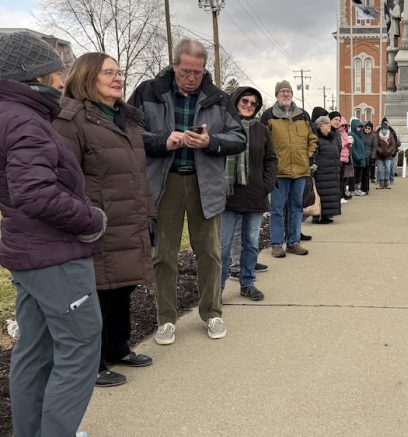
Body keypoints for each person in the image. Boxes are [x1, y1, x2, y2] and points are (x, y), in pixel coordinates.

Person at [0, 31, 106, 436]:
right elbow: (34, 193)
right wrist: (90, 220)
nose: (62, 79)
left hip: (28, 254)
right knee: (80, 349)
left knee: (35, 351)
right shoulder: (25, 120)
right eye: (56, 70)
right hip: (55, 256)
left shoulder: (11, 114)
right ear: (35, 74)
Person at [129, 38, 246, 344]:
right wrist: (162, 142)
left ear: (204, 69)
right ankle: (166, 318)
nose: (191, 77)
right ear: (174, 64)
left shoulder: (218, 98)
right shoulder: (147, 92)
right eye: (185, 71)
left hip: (203, 182)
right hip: (163, 182)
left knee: (209, 251)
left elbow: (239, 137)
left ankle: (212, 312)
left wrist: (212, 142)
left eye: (197, 71)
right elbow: (128, 131)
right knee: (163, 254)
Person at [54, 52, 155, 387]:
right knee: (97, 292)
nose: (117, 77)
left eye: (118, 71)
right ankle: (93, 363)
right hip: (96, 223)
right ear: (86, 77)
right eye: (108, 72)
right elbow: (63, 176)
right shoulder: (72, 120)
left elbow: (136, 172)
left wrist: (148, 211)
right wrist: (83, 217)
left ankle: (117, 348)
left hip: (129, 217)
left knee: (123, 287)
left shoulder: (126, 118)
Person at [219, 87, 277, 301]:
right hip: (228, 195)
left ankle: (247, 283)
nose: (249, 105)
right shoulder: (224, 126)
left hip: (255, 194)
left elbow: (271, 159)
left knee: (251, 243)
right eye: (245, 101)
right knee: (223, 247)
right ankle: (217, 290)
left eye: (254, 103)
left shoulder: (262, 130)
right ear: (235, 101)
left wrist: (267, 185)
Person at [260, 80, 317, 258]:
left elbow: (313, 140)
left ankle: (293, 242)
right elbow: (262, 142)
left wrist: (307, 157)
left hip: (300, 170)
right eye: (282, 91)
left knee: (296, 207)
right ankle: (277, 244)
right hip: (278, 171)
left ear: (292, 94)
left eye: (288, 91)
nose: (286, 94)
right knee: (277, 209)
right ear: (276, 95)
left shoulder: (303, 115)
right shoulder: (268, 116)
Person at [312, 116, 342, 223]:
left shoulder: (331, 138)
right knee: (322, 194)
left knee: (330, 194)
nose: (329, 125)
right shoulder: (316, 139)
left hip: (332, 171)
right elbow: (314, 155)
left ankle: (326, 215)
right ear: (320, 126)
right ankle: (318, 215)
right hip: (322, 172)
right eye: (326, 124)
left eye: (329, 123)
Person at [376, 122, 397, 189]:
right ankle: (381, 183)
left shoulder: (390, 135)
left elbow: (393, 145)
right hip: (380, 155)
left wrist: (389, 150)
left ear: (387, 129)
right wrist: (379, 150)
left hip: (388, 155)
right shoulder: (377, 135)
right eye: (382, 128)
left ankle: (386, 183)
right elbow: (375, 144)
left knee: (388, 169)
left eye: (385, 128)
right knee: (380, 170)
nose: (383, 130)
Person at [380, 117, 401, 184]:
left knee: (391, 167)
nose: (385, 124)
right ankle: (385, 180)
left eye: (386, 123)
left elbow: (395, 141)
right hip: (383, 152)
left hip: (392, 151)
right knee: (385, 167)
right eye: (384, 123)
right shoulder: (379, 130)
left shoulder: (392, 130)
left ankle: (391, 179)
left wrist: (394, 149)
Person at [350, 118, 368, 196]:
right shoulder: (351, 135)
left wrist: (364, 157)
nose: (359, 128)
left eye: (360, 127)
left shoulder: (359, 136)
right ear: (354, 126)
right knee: (355, 176)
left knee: (359, 176)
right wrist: (358, 157)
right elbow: (352, 149)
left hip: (361, 160)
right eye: (358, 127)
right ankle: (353, 190)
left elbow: (362, 148)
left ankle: (358, 189)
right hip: (356, 161)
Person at [361, 120, 379, 189]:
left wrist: (373, 157)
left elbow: (374, 147)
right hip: (362, 155)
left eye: (369, 128)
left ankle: (366, 188)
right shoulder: (361, 134)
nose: (367, 129)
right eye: (366, 128)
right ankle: (360, 187)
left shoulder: (374, 136)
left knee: (366, 173)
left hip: (369, 156)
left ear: (371, 129)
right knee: (361, 172)